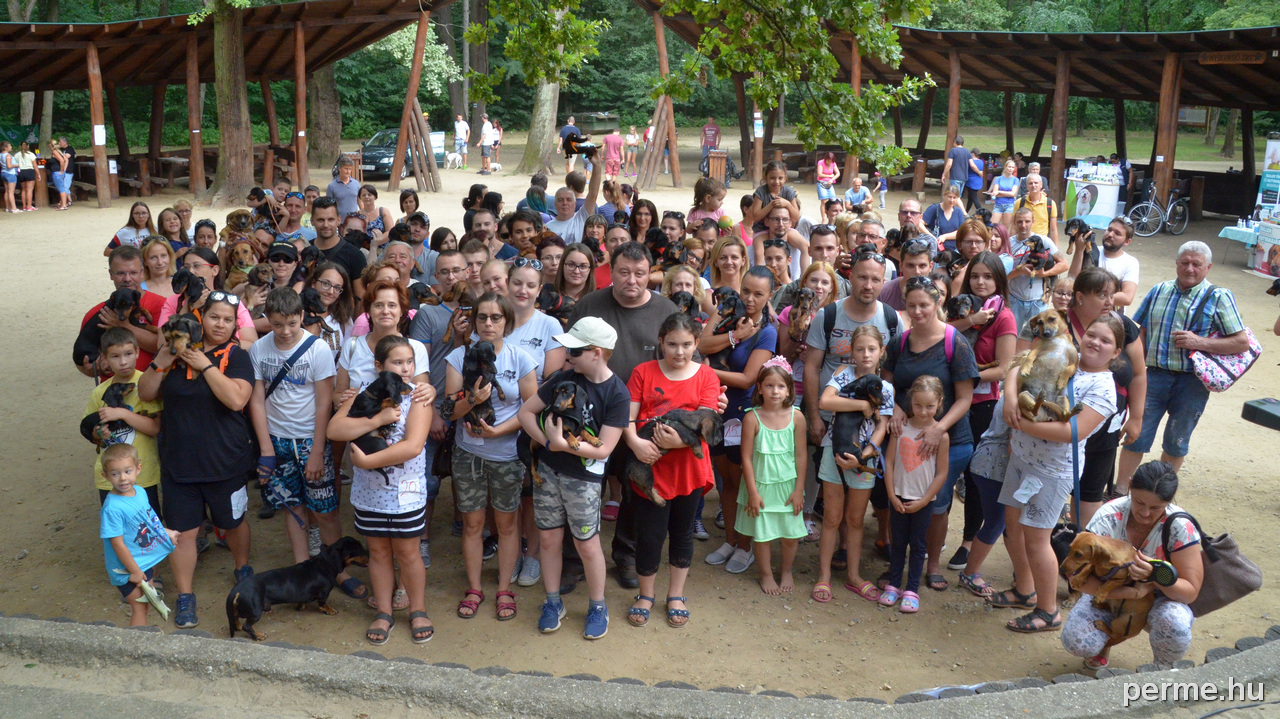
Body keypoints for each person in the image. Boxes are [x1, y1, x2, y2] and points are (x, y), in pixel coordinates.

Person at [988, 315, 1121, 632]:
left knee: (1036, 539)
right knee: (1012, 526)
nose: (1094, 343)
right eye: (1091, 334)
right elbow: (1019, 367)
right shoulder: (1065, 354)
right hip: (1021, 457)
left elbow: (1075, 431)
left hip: (1050, 471)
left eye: (1105, 341)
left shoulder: (1103, 387)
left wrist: (1019, 422)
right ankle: (1024, 588)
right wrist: (1010, 401)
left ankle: (1048, 611)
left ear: (1116, 352)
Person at [137, 291, 256, 629]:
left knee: (232, 522)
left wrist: (204, 365)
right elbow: (146, 392)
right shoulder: (172, 354)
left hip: (225, 461)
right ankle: (185, 595)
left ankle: (242, 568)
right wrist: (162, 358)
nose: (220, 324)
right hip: (179, 461)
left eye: (228, 319)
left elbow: (236, 399)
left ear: (235, 325)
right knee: (181, 532)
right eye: (214, 317)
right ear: (201, 319)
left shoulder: (236, 355)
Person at [567, 242, 680, 589]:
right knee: (584, 486)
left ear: (651, 273)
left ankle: (626, 555)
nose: (632, 280)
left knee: (634, 490)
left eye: (640, 273)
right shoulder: (589, 304)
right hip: (590, 412)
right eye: (624, 272)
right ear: (610, 271)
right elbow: (572, 354)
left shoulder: (666, 309)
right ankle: (575, 559)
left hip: (644, 417)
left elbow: (682, 360)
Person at [518, 317, 629, 638]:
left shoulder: (617, 393)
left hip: (584, 482)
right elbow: (526, 412)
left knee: (587, 544)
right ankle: (553, 601)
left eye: (574, 350)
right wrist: (546, 441)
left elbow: (605, 448)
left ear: (596, 353)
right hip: (549, 474)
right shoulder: (563, 379)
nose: (567, 355)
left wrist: (562, 444)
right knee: (549, 539)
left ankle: (597, 605)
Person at [328, 335, 434, 645]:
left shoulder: (418, 397)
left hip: (406, 494)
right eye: (397, 363)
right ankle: (384, 611)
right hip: (370, 495)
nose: (405, 369)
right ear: (379, 366)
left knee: (408, 553)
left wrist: (366, 459)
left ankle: (417, 609)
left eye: (409, 362)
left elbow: (413, 447)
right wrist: (379, 418)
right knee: (377, 552)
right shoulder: (362, 392)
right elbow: (335, 429)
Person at [1119, 241, 1246, 492]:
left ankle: (1159, 496)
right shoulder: (1159, 290)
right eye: (1185, 262)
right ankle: (1120, 491)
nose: (1190, 268)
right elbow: (1139, 331)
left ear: (1208, 267)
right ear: (1176, 263)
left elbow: (1241, 342)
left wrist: (1200, 342)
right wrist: (1132, 369)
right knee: (1136, 436)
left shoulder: (1219, 296)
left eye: (1196, 264)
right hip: (1152, 377)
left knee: (1176, 442)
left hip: (1192, 383)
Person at [881, 277, 979, 593]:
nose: (918, 310)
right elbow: (888, 383)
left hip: (949, 437)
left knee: (936, 504)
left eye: (924, 304)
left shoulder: (956, 343)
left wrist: (939, 428)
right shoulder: (900, 342)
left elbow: (965, 397)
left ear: (937, 303)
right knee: (902, 495)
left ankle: (932, 564)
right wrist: (895, 407)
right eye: (912, 305)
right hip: (908, 431)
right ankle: (898, 567)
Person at [248, 288, 351, 585]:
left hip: (309, 438)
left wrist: (318, 450)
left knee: (326, 509)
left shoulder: (317, 348)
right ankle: (303, 568)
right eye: (278, 324)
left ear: (302, 317)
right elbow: (256, 400)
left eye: (292, 323)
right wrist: (266, 447)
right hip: (278, 438)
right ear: (268, 319)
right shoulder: (259, 349)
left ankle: (339, 572)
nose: (285, 331)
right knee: (292, 507)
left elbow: (323, 403)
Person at [624, 313, 720, 628]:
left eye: (687, 345)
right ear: (661, 343)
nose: (679, 352)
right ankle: (646, 594)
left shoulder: (706, 376)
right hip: (650, 465)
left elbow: (708, 423)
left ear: (696, 344)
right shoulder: (643, 372)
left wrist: (679, 443)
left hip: (689, 468)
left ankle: (676, 594)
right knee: (649, 535)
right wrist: (635, 444)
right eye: (672, 344)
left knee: (682, 532)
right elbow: (627, 417)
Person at [446, 293, 538, 621]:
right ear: (474, 322)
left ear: (506, 322)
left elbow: (531, 408)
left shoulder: (521, 358)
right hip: (468, 453)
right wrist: (471, 400)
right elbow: (449, 409)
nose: (488, 324)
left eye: (496, 318)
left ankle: (503, 588)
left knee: (507, 524)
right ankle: (474, 588)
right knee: (472, 523)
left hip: (507, 453)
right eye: (482, 317)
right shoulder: (460, 356)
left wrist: (500, 431)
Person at [1061, 461, 1203, 671]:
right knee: (1077, 641)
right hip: (1112, 594)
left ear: (1170, 500)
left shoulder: (1179, 526)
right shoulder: (1108, 517)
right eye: (1139, 502)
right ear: (1129, 486)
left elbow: (1190, 592)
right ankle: (1105, 643)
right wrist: (1131, 593)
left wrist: (1154, 578)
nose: (1145, 513)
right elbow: (1078, 579)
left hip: (1161, 599)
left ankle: (1162, 668)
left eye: (1156, 507)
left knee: (1175, 624)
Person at [700, 266, 778, 575]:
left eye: (758, 294)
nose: (749, 298)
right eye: (746, 290)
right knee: (727, 483)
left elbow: (747, 379)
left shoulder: (768, 331)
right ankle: (731, 540)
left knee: (745, 483)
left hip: (744, 416)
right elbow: (701, 345)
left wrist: (704, 371)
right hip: (717, 410)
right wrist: (734, 335)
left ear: (769, 296)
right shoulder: (728, 311)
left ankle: (747, 546)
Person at [945, 251, 1016, 583]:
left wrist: (966, 377)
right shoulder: (962, 308)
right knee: (944, 468)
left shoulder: (1005, 317)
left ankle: (968, 540)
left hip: (981, 404)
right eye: (975, 276)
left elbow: (1004, 368)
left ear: (999, 280)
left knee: (974, 477)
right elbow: (942, 332)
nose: (981, 282)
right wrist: (970, 322)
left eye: (988, 276)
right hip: (948, 401)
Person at [812, 325, 894, 602]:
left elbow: (883, 425)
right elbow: (826, 401)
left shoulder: (886, 388)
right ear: (851, 352)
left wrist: (868, 453)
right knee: (832, 518)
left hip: (862, 458)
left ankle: (854, 575)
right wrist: (860, 406)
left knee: (855, 519)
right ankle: (823, 575)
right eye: (860, 349)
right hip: (833, 453)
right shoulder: (842, 375)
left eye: (872, 349)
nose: (866, 354)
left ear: (881, 352)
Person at [877, 375, 950, 614]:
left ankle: (912, 590)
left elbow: (941, 473)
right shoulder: (899, 429)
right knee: (898, 542)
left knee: (918, 545)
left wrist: (925, 500)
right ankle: (894, 584)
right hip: (898, 497)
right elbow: (888, 462)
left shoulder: (941, 436)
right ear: (911, 401)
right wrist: (892, 495)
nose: (923, 411)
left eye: (929, 406)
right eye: (918, 405)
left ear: (939, 403)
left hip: (923, 500)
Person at [737, 358, 807, 595]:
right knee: (763, 535)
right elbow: (746, 458)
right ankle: (766, 574)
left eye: (780, 386)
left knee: (790, 534)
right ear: (759, 387)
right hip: (761, 488)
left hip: (788, 487)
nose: (775, 391)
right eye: (769, 385)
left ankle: (786, 569)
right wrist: (753, 493)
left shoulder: (797, 417)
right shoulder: (751, 418)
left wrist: (799, 490)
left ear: (789, 389)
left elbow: (801, 456)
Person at [83, 328, 164, 519]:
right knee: (117, 527)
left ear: (137, 352)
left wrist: (122, 414)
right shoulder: (99, 392)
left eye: (128, 354)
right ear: (104, 358)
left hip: (142, 473)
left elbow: (155, 428)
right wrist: (97, 433)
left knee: (149, 528)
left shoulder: (146, 384)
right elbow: (89, 429)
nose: (123, 362)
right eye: (115, 356)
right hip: (109, 477)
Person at [98, 443, 178, 626]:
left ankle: (139, 643)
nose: (123, 478)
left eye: (127, 471)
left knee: (146, 606)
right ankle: (134, 648)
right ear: (105, 476)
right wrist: (134, 571)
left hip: (143, 563)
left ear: (138, 469)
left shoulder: (140, 493)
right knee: (140, 608)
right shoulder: (112, 508)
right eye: (115, 474)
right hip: (126, 569)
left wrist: (166, 533)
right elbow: (117, 544)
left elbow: (147, 522)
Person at [77, 247, 165, 379]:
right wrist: (92, 370)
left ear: (142, 273)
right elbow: (81, 355)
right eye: (120, 273)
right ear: (110, 274)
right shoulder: (98, 313)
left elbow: (163, 346)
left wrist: (124, 325)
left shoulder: (162, 305)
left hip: (152, 389)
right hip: (113, 390)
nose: (127, 279)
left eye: (133, 273)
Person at [156, 247, 261, 350]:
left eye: (197, 266)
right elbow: (162, 344)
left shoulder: (230, 301)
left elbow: (252, 344)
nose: (191, 271)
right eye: (187, 267)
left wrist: (213, 344)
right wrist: (189, 306)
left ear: (214, 270)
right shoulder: (173, 301)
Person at [1006, 207, 1067, 330]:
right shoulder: (1008, 243)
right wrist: (1019, 271)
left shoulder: (1044, 241)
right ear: (1014, 222)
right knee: (1012, 336)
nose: (1024, 225)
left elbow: (1064, 264)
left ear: (1033, 222)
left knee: (1038, 338)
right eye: (1020, 222)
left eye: (1027, 221)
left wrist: (1044, 273)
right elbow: (1001, 275)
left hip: (1038, 302)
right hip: (1014, 299)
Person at [1068, 216, 1140, 310]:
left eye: (1117, 233)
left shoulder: (1130, 262)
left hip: (1109, 318)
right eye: (1109, 229)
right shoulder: (1089, 250)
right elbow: (1071, 280)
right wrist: (1079, 251)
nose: (1110, 234)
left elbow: (1127, 298)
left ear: (1127, 241)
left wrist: (1091, 298)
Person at [310, 197, 367, 298]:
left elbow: (361, 298)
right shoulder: (305, 249)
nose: (326, 225)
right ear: (312, 221)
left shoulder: (355, 255)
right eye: (320, 220)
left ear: (338, 220)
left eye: (330, 219)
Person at [545, 153, 603, 245]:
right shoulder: (548, 228)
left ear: (575, 203)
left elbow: (593, 193)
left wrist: (596, 165)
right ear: (555, 204)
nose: (565, 203)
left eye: (569, 200)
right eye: (560, 200)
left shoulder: (581, 217)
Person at [752, 204, 809, 278]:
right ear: (767, 221)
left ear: (790, 222)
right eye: (776, 219)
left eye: (785, 219)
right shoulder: (760, 238)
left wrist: (804, 281)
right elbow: (759, 256)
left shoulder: (792, 234)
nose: (780, 224)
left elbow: (807, 248)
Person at [878, 236, 934, 312]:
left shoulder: (939, 293)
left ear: (930, 267)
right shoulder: (883, 293)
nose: (917, 271)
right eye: (910, 266)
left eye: (922, 266)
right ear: (901, 266)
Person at [749, 160, 800, 234]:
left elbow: (796, 217)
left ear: (785, 178)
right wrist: (772, 205)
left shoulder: (788, 191)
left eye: (780, 178)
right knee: (759, 245)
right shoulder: (761, 192)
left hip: (784, 231)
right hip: (762, 231)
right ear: (765, 178)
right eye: (772, 178)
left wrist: (787, 204)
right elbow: (756, 217)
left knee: (803, 244)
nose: (776, 181)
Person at [923, 186, 965, 251]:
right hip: (936, 249)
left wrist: (945, 236)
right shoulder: (934, 208)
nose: (952, 200)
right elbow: (920, 223)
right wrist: (931, 237)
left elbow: (962, 231)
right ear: (944, 195)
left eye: (954, 198)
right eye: (949, 197)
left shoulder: (958, 212)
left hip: (955, 249)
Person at [988, 160, 1020, 230]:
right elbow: (995, 194)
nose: (1010, 169)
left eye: (1012, 167)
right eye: (1009, 167)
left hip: (1009, 206)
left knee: (1005, 228)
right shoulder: (998, 179)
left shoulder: (1015, 180)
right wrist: (1006, 193)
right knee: (992, 226)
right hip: (998, 205)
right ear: (1005, 167)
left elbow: (1013, 194)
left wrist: (999, 191)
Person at [14, 140, 36, 212]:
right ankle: (29, 206)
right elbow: (35, 165)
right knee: (29, 190)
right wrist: (38, 173)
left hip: (21, 172)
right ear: (28, 146)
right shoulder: (31, 154)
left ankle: (24, 206)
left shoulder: (16, 155)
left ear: (20, 147)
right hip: (29, 171)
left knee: (23, 190)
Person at [49, 139, 71, 211]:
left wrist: (61, 170)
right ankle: (63, 204)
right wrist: (64, 170)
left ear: (51, 145)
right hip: (59, 172)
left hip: (57, 172)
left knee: (61, 189)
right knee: (62, 188)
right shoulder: (59, 151)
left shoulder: (54, 152)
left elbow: (62, 160)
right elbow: (66, 160)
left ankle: (64, 205)